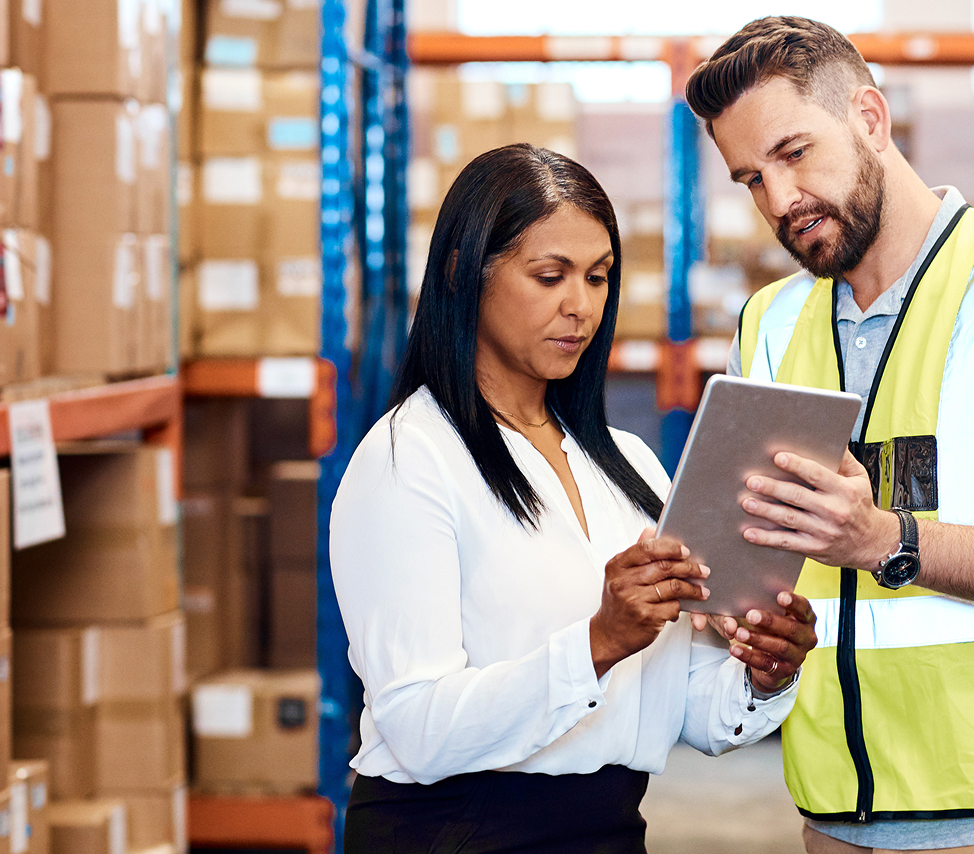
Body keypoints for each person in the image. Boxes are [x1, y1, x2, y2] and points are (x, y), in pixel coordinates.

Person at [684, 17, 974, 853]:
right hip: (842, 816)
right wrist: (728, 613)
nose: (780, 200)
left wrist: (883, 540)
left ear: (870, 118)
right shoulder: (770, 323)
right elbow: (763, 566)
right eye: (751, 179)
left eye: (795, 154)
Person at [329, 143, 818, 854]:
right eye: (549, 275)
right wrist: (598, 642)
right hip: (452, 833)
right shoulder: (410, 460)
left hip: (608, 827)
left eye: (597, 278)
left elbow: (681, 711)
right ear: (465, 273)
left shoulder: (629, 467)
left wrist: (765, 672)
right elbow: (419, 730)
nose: (580, 306)